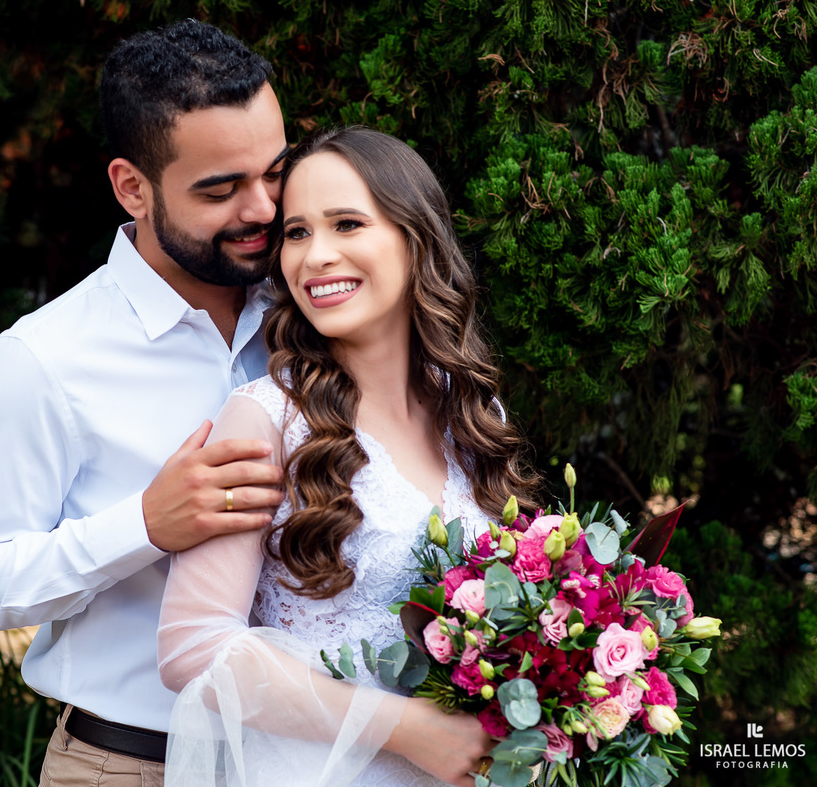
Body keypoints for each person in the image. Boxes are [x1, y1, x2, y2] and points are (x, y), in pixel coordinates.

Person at [0, 20, 290, 786]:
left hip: (318, 763)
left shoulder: (315, 314)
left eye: (276, 172)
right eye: (221, 188)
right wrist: (142, 526)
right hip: (129, 765)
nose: (262, 208)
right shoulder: (42, 362)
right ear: (132, 186)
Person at [157, 127, 541, 787]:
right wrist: (405, 728)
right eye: (298, 232)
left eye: (347, 224)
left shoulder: (473, 414)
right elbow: (194, 646)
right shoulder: (266, 419)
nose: (316, 257)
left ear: (414, 238)